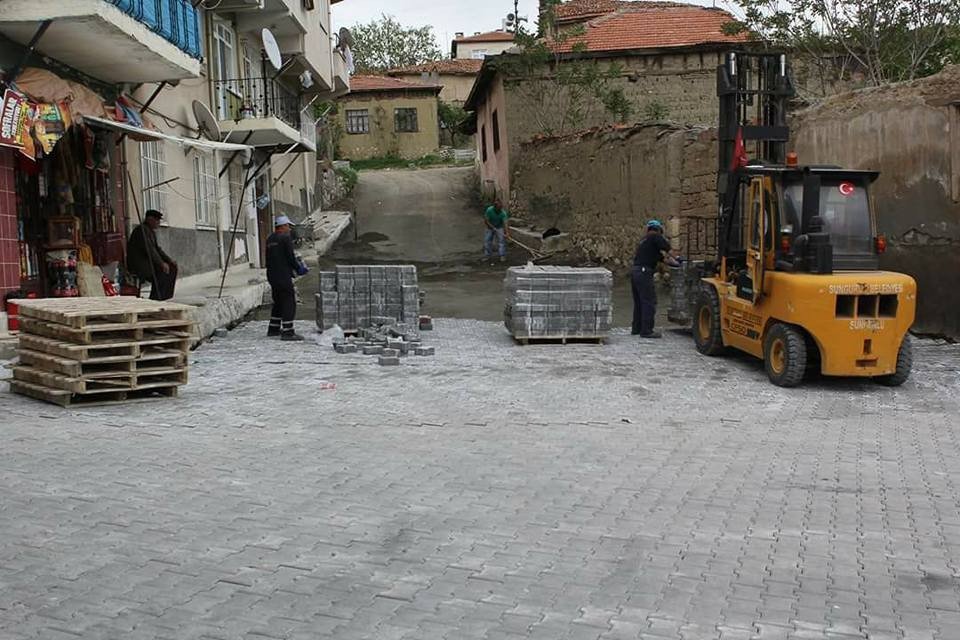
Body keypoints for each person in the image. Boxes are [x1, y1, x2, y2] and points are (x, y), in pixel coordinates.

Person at [631, 219, 679, 338]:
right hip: (644, 272)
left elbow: (664, 259)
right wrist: (679, 258)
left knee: (639, 302)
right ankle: (647, 331)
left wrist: (676, 264)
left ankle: (636, 328)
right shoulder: (655, 236)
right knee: (649, 301)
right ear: (658, 230)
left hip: (635, 272)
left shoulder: (644, 241)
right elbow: (669, 251)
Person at [266, 215, 308, 341]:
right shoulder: (285, 238)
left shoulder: (270, 238)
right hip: (283, 275)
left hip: (272, 274)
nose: (289, 229)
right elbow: (290, 257)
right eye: (288, 226)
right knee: (289, 301)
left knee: (278, 301)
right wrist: (299, 268)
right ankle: (288, 331)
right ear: (283, 226)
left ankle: (273, 329)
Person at [127, 209, 177, 301]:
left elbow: (157, 249)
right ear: (150, 219)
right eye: (157, 220)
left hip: (147, 261)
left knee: (172, 267)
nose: (158, 223)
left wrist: (169, 260)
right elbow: (150, 250)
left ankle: (165, 296)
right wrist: (161, 263)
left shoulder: (150, 231)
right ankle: (156, 298)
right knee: (162, 271)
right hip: (140, 263)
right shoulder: (142, 231)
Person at [483, 198, 510, 263]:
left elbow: (505, 223)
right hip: (489, 227)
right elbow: (486, 221)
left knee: (501, 241)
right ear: (495, 207)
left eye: (500, 208)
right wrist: (492, 227)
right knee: (487, 241)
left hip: (499, 227)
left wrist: (507, 233)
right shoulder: (489, 210)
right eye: (498, 208)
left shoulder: (503, 213)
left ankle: (502, 255)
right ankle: (487, 256)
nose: (500, 209)